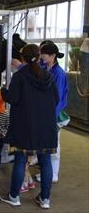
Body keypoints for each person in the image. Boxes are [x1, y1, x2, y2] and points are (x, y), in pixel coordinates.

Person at [0, 44, 59, 209]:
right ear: (39, 57)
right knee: (45, 161)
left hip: (26, 126)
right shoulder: (48, 76)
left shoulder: (20, 77)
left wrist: (3, 92)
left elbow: (12, 98)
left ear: (23, 58)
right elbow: (56, 99)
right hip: (47, 127)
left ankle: (14, 196)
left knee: (20, 160)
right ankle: (45, 199)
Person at [37, 42, 69, 183]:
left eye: (43, 54)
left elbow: (58, 98)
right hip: (44, 113)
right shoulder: (44, 67)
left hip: (53, 114)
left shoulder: (59, 74)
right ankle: (46, 172)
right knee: (44, 145)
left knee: (54, 145)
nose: (41, 56)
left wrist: (50, 117)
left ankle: (53, 173)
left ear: (52, 56)